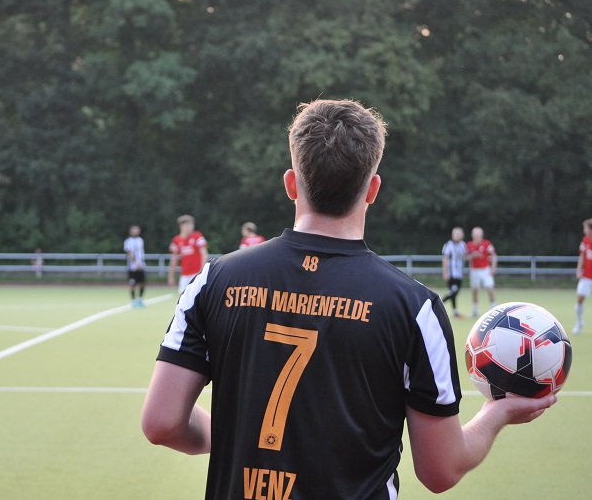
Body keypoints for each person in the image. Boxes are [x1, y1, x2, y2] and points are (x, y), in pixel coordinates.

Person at [141, 99, 556, 499]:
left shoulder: (212, 280)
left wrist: (240, 435)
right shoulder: (413, 307)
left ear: (291, 183)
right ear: (373, 189)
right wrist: (495, 414)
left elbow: (161, 423)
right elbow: (441, 469)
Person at [167, 214, 208, 294]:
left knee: (198, 298)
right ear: (182, 226)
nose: (191, 227)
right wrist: (171, 276)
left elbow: (204, 254)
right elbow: (174, 259)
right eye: (188, 224)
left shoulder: (197, 236)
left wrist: (202, 271)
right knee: (182, 299)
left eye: (192, 224)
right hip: (184, 275)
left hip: (197, 273)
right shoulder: (176, 240)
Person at [466, 226, 497, 317]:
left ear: (481, 235)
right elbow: (465, 257)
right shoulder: (469, 245)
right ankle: (475, 311)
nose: (477, 236)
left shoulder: (486, 244)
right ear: (472, 235)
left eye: (478, 234)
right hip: (474, 270)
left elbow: (494, 255)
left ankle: (494, 309)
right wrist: (472, 256)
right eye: (475, 234)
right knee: (474, 290)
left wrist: (493, 267)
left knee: (490, 288)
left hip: (485, 269)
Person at [441, 226, 467, 318]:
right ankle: (439, 302)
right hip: (451, 273)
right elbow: (445, 259)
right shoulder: (448, 245)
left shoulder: (463, 245)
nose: (457, 235)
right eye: (455, 234)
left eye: (459, 234)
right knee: (453, 291)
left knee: (454, 292)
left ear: (462, 235)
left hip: (459, 273)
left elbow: (464, 257)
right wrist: (445, 272)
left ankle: (455, 311)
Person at [124, 225, 147, 307]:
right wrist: (135, 263)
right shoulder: (128, 241)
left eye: (137, 230)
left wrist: (140, 263)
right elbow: (130, 252)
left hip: (141, 265)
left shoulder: (140, 240)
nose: (135, 231)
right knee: (133, 283)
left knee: (142, 283)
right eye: (134, 230)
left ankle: (140, 299)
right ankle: (133, 301)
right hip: (133, 267)